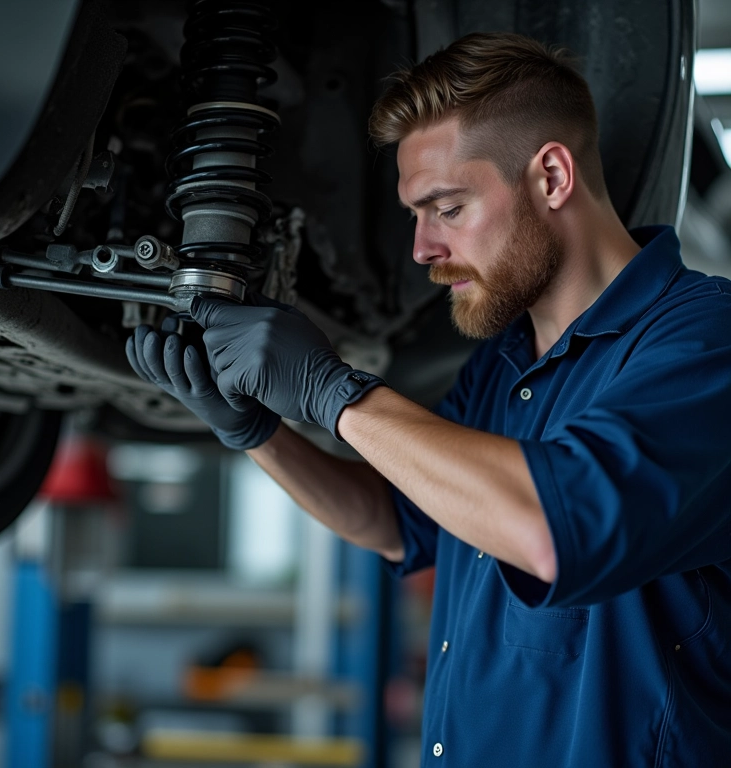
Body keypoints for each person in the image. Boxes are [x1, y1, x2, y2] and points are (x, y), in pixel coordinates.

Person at [127, 32, 731, 767]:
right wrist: (258, 434)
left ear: (550, 177)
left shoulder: (705, 342)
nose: (421, 249)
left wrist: (331, 391)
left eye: (446, 207)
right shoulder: (504, 366)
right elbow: (396, 523)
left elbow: (551, 528)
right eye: (417, 214)